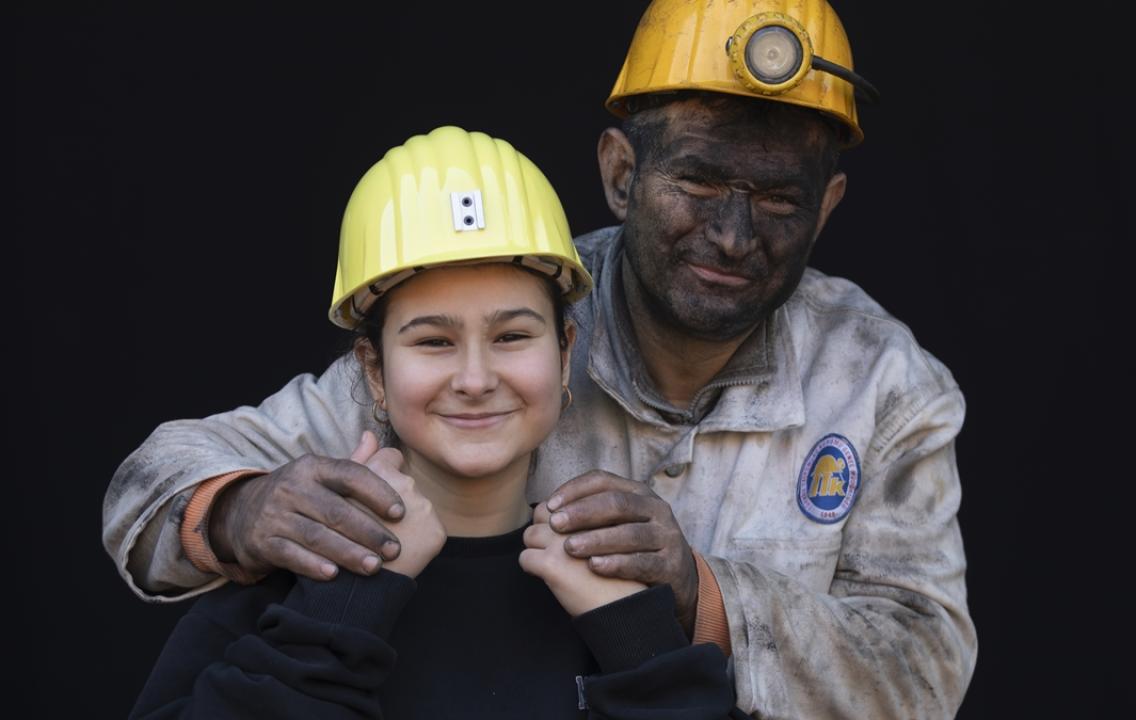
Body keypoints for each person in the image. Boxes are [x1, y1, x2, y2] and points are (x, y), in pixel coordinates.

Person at [106, 2, 976, 717]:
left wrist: (694, 593)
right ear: (621, 173)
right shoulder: (516, 295)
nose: (732, 235)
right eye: (700, 184)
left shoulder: (884, 386)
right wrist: (239, 509)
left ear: (827, 208)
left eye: (780, 200)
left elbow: (926, 672)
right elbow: (153, 483)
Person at [129, 126, 738, 719]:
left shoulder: (620, 598)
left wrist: (641, 647)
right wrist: (334, 617)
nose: (474, 379)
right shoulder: (284, 602)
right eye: (433, 341)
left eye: (512, 335)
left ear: (563, 355)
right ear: (374, 372)